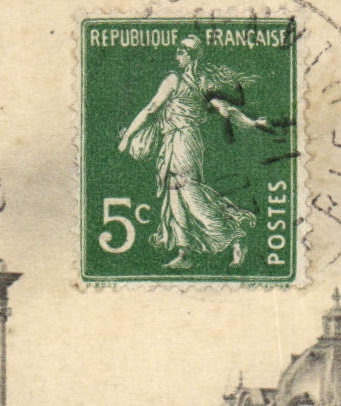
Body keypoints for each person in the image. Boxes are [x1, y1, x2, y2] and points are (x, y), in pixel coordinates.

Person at [117, 36, 275, 269]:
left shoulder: (174, 79)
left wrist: (129, 136)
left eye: (180, 52)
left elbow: (151, 109)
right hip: (178, 141)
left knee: (188, 192)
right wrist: (252, 123)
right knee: (175, 196)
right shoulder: (203, 82)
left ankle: (235, 235)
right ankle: (185, 253)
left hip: (182, 141)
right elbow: (225, 110)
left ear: (189, 55)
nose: (177, 56)